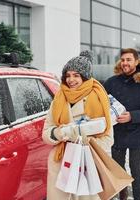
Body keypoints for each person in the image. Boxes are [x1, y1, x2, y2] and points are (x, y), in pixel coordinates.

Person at [42, 50, 114, 200]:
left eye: (76, 75)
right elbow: (46, 133)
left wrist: (87, 141)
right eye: (67, 75)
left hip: (87, 165)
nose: (71, 80)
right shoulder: (59, 98)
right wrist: (61, 133)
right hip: (61, 162)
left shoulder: (99, 99)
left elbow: (108, 139)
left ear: (85, 77)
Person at [103, 48, 140, 200]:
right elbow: (101, 102)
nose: (125, 63)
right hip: (118, 134)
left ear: (136, 61)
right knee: (118, 171)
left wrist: (132, 116)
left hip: (137, 134)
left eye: (128, 60)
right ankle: (122, 197)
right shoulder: (112, 82)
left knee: (136, 170)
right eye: (123, 60)